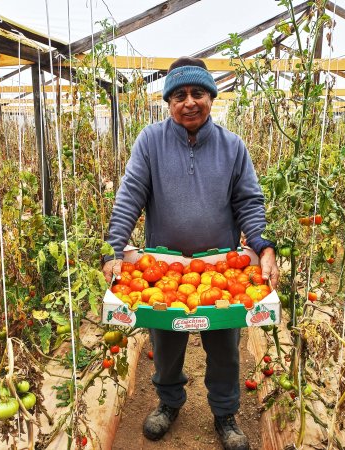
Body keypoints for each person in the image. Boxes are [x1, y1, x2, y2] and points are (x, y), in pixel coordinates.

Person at [102, 56, 279, 450]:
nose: (189, 102)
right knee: (165, 342)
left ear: (211, 97)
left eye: (198, 92)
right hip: (164, 268)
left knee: (224, 346)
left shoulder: (233, 147)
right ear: (168, 101)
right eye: (179, 95)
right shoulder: (150, 141)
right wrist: (114, 249)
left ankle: (225, 413)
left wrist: (263, 246)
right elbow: (130, 196)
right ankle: (168, 402)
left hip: (221, 271)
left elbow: (249, 203)